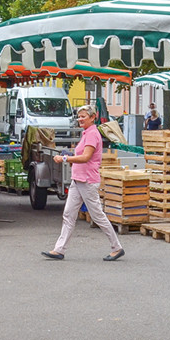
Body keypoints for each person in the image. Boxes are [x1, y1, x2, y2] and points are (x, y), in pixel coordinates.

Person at [42, 105, 124, 262]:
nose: (80, 119)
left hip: (87, 180)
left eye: (83, 116)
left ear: (93, 117)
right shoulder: (86, 133)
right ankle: (59, 249)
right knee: (68, 214)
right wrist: (71, 156)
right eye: (78, 116)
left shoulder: (93, 134)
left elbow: (86, 157)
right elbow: (82, 156)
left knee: (97, 215)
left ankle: (116, 247)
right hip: (78, 179)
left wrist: (65, 159)